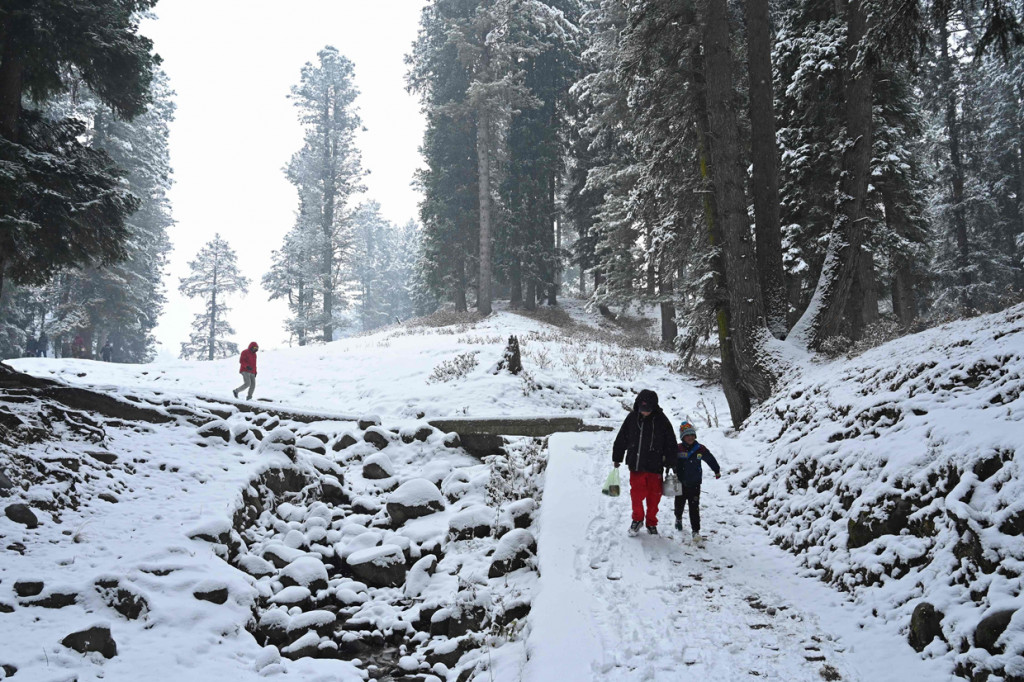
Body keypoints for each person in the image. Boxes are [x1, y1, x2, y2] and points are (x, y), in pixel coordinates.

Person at [612, 389, 677, 536]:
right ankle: (637, 519)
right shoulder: (632, 418)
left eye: (648, 410)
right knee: (636, 496)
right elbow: (621, 438)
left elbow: (670, 443)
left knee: (654, 498)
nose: (644, 412)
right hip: (636, 466)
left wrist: (671, 462)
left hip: (655, 467)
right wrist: (617, 457)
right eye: (642, 409)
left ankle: (651, 522)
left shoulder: (662, 420)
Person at [673, 420, 721, 545]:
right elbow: (669, 459)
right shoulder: (678, 448)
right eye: (687, 435)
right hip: (680, 482)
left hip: (695, 483)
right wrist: (670, 466)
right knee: (679, 503)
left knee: (694, 507)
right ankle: (678, 518)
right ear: (683, 437)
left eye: (692, 435)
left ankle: (695, 530)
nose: (690, 438)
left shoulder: (700, 449)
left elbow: (710, 458)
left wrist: (716, 470)